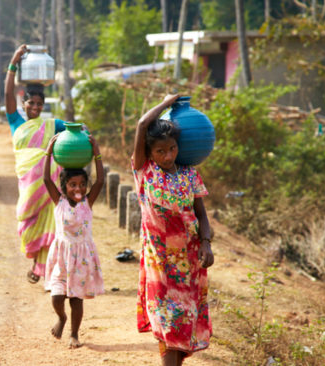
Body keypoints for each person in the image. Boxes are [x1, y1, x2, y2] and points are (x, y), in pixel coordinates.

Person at [131, 94, 214, 366]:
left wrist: (206, 244)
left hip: (189, 261)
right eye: (160, 151)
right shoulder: (145, 171)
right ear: (150, 152)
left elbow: (201, 214)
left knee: (183, 323)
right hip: (159, 260)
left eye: (172, 149)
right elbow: (143, 124)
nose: (168, 156)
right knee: (167, 324)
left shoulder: (189, 173)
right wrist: (167, 103)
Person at [5, 44, 67, 284]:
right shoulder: (15, 122)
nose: (35, 108)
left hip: (48, 183)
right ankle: (40, 265)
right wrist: (13, 63)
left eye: (39, 105)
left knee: (50, 222)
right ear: (24, 104)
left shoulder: (52, 124)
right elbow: (8, 95)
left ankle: (44, 269)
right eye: (31, 104)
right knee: (27, 222)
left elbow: (77, 129)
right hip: (29, 184)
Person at [42, 133, 104, 349]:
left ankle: (74, 334)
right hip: (62, 257)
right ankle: (61, 317)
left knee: (76, 300)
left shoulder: (88, 202)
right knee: (57, 297)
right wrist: (49, 152)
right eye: (72, 184)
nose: (78, 189)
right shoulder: (58, 201)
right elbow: (45, 179)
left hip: (82, 260)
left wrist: (96, 152)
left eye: (82, 184)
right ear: (64, 187)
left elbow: (101, 180)